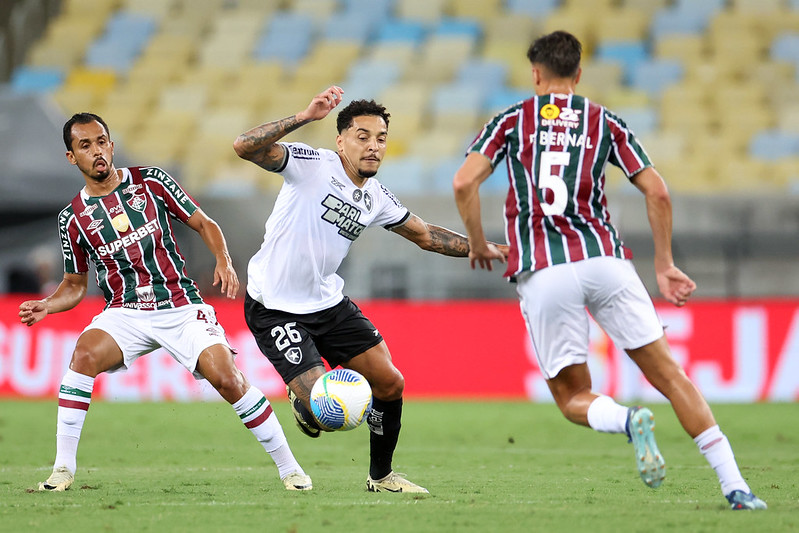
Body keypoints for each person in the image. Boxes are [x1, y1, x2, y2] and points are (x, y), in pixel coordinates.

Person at [452, 31, 767, 511]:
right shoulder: (605, 122)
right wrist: (664, 264)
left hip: (545, 269)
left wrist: (476, 241)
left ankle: (625, 420)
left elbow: (463, 182)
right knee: (670, 375)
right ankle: (735, 486)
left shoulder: (512, 121)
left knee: (572, 394)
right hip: (606, 261)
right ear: (578, 74)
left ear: (536, 74)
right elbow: (657, 192)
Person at [233, 86, 507, 493]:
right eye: (362, 137)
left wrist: (485, 247)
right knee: (323, 410)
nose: (373, 147)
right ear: (340, 140)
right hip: (275, 306)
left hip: (327, 302)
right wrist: (306, 117)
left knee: (391, 382)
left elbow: (427, 235)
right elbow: (244, 146)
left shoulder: (375, 196)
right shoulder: (311, 163)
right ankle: (302, 400)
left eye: (380, 139)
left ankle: (381, 476)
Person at [19, 113, 311, 492]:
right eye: (85, 145)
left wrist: (222, 259)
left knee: (226, 378)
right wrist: (49, 304)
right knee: (83, 357)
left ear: (111, 143)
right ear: (72, 157)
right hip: (125, 312)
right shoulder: (72, 218)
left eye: (101, 141)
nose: (97, 150)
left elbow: (205, 223)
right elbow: (75, 284)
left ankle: (291, 470)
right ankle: (61, 470)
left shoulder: (151, 182)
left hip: (180, 306)